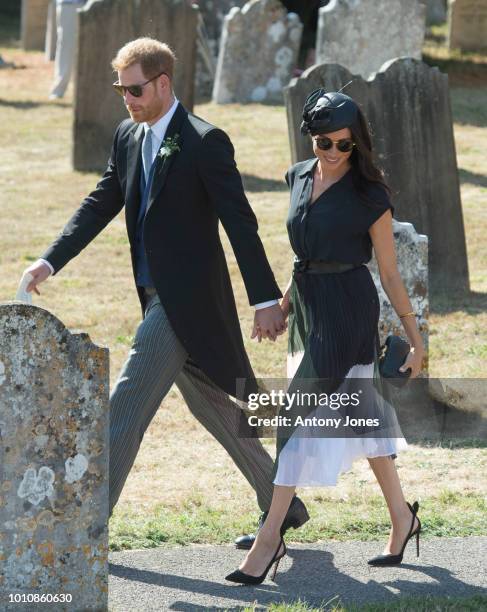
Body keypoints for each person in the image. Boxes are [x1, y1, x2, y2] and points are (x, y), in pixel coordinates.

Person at [25, 37, 310, 541]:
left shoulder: (205, 141)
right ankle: (279, 500)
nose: (127, 98)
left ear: (163, 83)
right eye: (121, 90)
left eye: (135, 89)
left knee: (126, 403)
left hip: (188, 305)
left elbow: (240, 224)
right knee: (214, 406)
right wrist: (51, 260)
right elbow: (101, 201)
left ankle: (80, 528)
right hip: (155, 298)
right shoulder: (127, 137)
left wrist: (266, 301)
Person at [226, 89, 425, 584]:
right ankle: (403, 517)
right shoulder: (297, 176)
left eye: (344, 144)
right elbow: (305, 251)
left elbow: (390, 273)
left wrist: (415, 338)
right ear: (311, 139)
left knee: (293, 416)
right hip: (310, 308)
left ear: (357, 144)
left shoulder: (369, 194)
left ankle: (270, 537)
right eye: (324, 143)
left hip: (348, 310)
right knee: (363, 416)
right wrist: (285, 303)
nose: (334, 153)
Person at [49, 0, 86, 99]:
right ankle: (58, 89)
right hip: (69, 5)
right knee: (66, 47)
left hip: (89, 4)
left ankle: (84, 89)